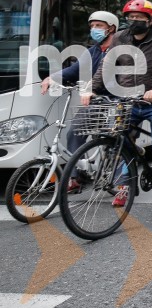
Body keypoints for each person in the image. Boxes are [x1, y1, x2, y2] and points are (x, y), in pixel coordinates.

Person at [83, 0, 152, 204]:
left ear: (151, 20)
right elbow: (107, 65)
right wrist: (91, 89)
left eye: (139, 17)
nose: (134, 20)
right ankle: (125, 187)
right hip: (128, 100)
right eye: (131, 17)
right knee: (120, 143)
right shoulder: (120, 38)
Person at [41, 10, 119, 193]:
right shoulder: (92, 51)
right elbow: (74, 70)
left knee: (114, 139)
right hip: (95, 102)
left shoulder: (121, 50)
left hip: (117, 101)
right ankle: (76, 177)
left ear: (111, 28)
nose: (94, 29)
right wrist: (52, 78)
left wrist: (92, 88)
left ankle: (120, 180)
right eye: (92, 26)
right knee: (74, 131)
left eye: (99, 26)